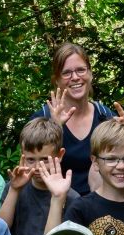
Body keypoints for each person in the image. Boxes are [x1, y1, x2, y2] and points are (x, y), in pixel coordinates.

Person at [32, 44, 118, 182]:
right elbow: (31, 167)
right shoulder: (42, 118)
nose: (75, 77)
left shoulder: (105, 116)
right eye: (66, 73)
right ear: (57, 80)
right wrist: (55, 127)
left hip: (98, 199)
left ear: (90, 74)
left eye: (81, 70)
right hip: (55, 199)